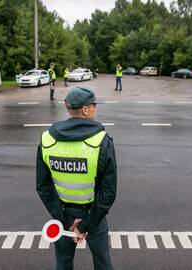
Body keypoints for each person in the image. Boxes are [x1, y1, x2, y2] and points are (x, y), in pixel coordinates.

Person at [36, 86, 117, 270]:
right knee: (103, 263)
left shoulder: (47, 140)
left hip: (63, 214)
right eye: (94, 105)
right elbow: (108, 192)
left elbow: (43, 187)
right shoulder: (102, 142)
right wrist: (87, 223)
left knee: (63, 263)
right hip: (94, 215)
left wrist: (62, 218)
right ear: (86, 109)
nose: (96, 109)